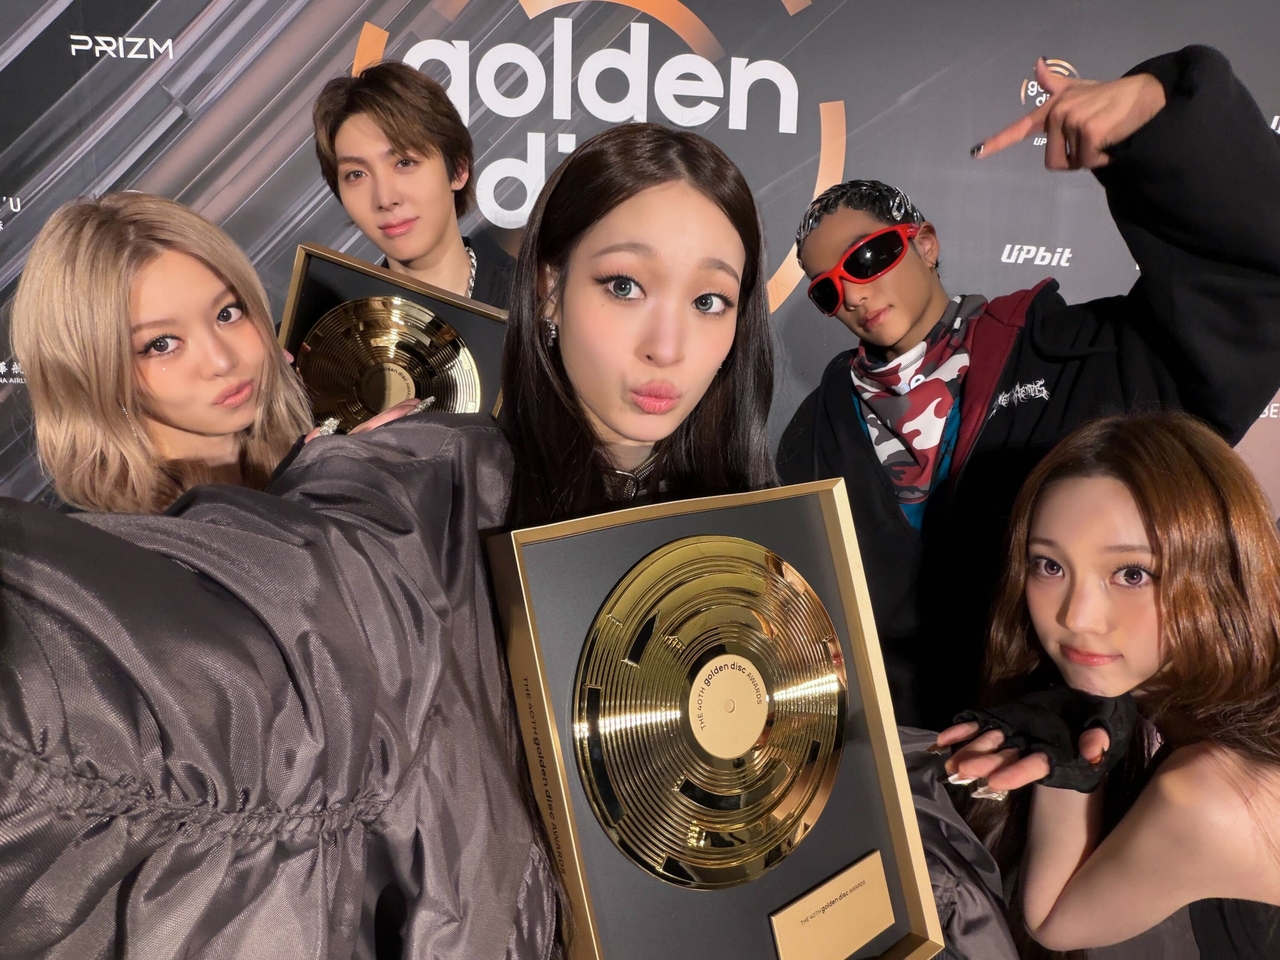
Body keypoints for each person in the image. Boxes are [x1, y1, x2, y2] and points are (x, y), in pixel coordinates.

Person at [776, 46, 1280, 729]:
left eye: (868, 257)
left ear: (925, 242)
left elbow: (1254, 289)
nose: (855, 294)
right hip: (895, 768)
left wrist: (1158, 122)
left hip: (1070, 759)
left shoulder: (1084, 356)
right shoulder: (815, 431)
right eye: (828, 289)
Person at [934, 412, 1280, 957]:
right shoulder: (1217, 709)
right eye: (1049, 566)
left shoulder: (1210, 793)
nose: (1077, 617)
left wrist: (1072, 755)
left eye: (1132, 574)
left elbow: (1052, 920)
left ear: (1220, 573)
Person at [9, 192, 313, 513]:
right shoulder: (111, 539)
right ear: (91, 373)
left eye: (228, 313)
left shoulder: (312, 452)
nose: (222, 361)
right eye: (162, 344)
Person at [313, 62, 515, 309]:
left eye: (404, 163)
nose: (384, 199)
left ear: (458, 170)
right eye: (356, 174)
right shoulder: (326, 326)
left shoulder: (539, 306)